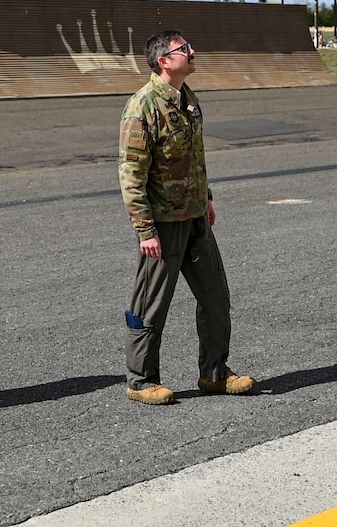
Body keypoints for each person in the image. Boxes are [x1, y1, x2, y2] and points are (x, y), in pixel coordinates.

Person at [118, 28, 253, 405]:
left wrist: (205, 198)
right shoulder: (143, 106)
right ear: (164, 61)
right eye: (184, 49)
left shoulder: (188, 100)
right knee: (150, 304)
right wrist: (145, 229)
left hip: (194, 218)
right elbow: (131, 174)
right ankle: (141, 380)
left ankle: (214, 373)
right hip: (162, 223)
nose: (193, 52)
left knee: (215, 298)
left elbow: (195, 158)